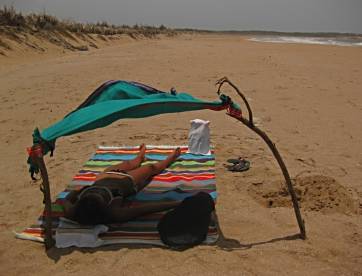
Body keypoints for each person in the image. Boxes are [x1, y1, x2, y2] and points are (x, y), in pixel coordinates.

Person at [63, 144, 181, 225]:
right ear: (105, 205)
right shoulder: (114, 213)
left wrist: (75, 192)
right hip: (127, 180)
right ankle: (171, 158)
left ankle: (140, 156)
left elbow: (64, 202)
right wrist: (177, 203)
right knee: (150, 168)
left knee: (130, 163)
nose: (94, 193)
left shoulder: (73, 211)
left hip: (106, 175)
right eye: (98, 196)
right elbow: (145, 208)